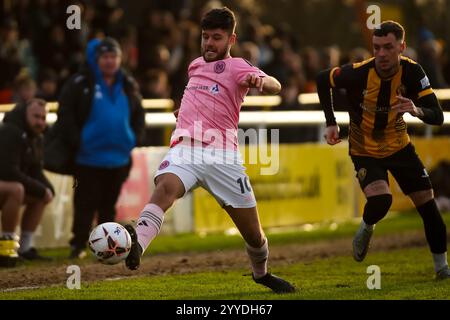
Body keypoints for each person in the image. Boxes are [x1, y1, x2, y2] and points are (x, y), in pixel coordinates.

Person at [124, 7, 295, 294]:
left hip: (223, 157)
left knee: (253, 235)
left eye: (216, 37)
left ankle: (261, 274)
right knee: (165, 188)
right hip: (186, 149)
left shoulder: (239, 66)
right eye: (205, 37)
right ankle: (137, 245)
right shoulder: (194, 66)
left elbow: (276, 85)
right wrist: (186, 111)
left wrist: (262, 81)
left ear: (231, 39)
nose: (209, 44)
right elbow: (201, 96)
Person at [316, 21, 449, 279]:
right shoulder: (359, 72)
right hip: (364, 148)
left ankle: (442, 268)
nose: (382, 54)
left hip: (400, 147)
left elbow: (438, 116)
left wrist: (415, 109)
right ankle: (366, 228)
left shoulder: (413, 72)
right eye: (377, 47)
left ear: (402, 47)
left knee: (428, 208)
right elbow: (323, 79)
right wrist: (331, 122)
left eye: (388, 47)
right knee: (381, 200)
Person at [53, 37, 145, 259]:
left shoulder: (128, 83)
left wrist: (132, 138)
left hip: (119, 158)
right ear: (96, 59)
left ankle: (106, 247)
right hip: (88, 158)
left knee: (108, 206)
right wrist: (78, 141)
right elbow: (65, 114)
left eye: (113, 56)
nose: (110, 61)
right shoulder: (80, 83)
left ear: (120, 59)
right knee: (85, 203)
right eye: (105, 57)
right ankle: (78, 245)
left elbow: (138, 113)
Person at [0, 98, 54, 260]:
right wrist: (41, 188)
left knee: (41, 196)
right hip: (4, 181)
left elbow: (36, 171)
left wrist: (47, 189)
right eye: (36, 116)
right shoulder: (11, 131)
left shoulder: (37, 137)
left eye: (43, 118)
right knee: (17, 189)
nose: (40, 122)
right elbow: (7, 171)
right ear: (25, 114)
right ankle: (6, 248)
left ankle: (24, 248)